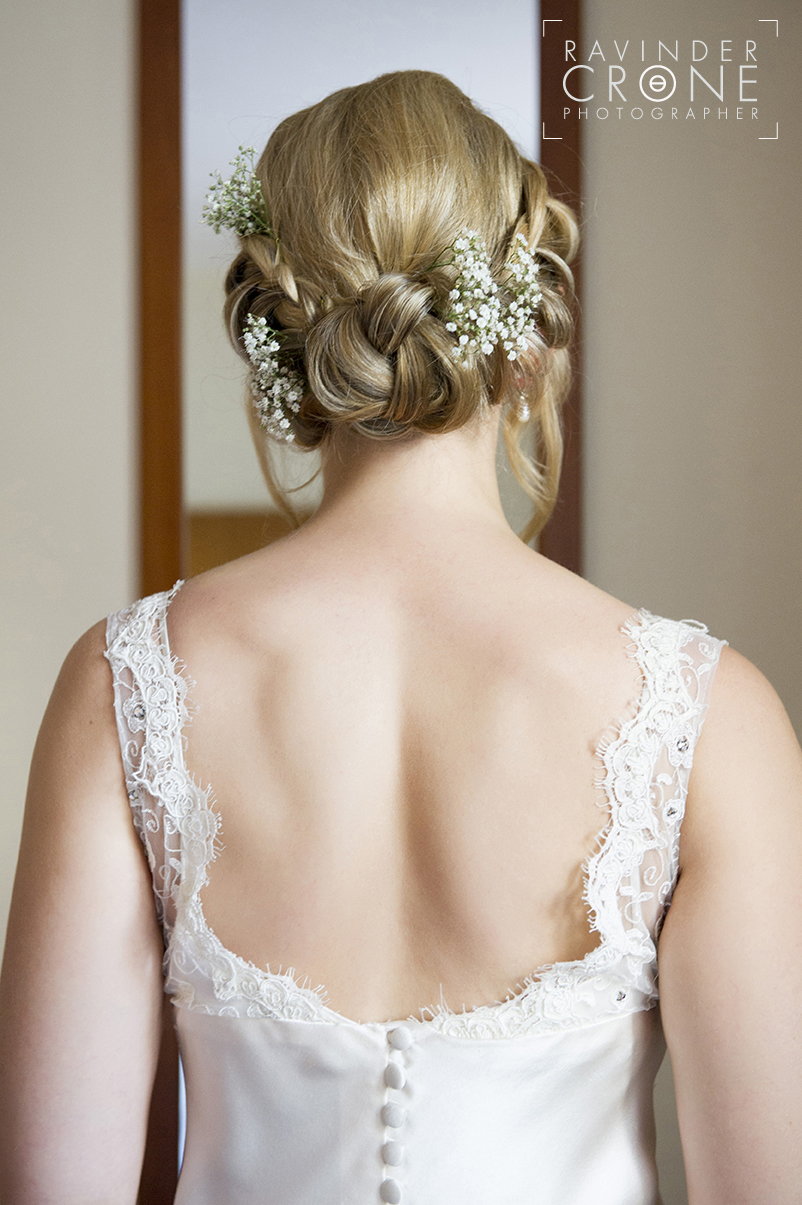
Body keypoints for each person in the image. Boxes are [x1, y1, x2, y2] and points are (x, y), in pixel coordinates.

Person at [0, 69, 799, 1205]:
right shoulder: (711, 714)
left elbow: (51, 1186)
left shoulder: (125, 684)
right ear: (525, 335)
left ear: (280, 344)